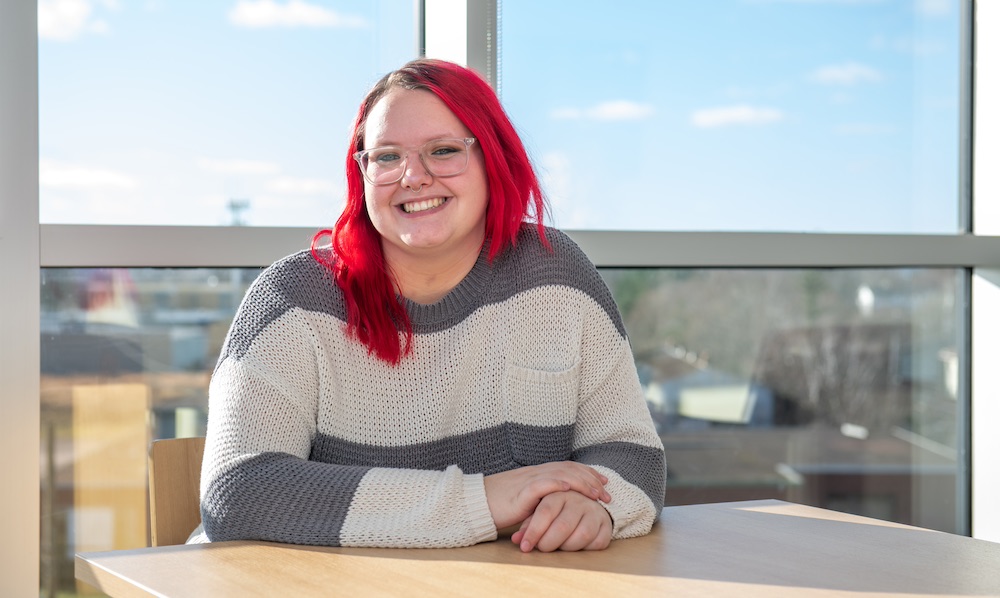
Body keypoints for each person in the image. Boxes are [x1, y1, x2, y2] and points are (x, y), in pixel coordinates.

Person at [196, 58, 665, 552]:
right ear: (362, 174)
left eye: (443, 151)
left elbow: (631, 452)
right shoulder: (291, 298)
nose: (413, 177)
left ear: (494, 160)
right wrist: (483, 501)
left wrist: (596, 506)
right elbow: (238, 491)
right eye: (386, 157)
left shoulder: (556, 274)